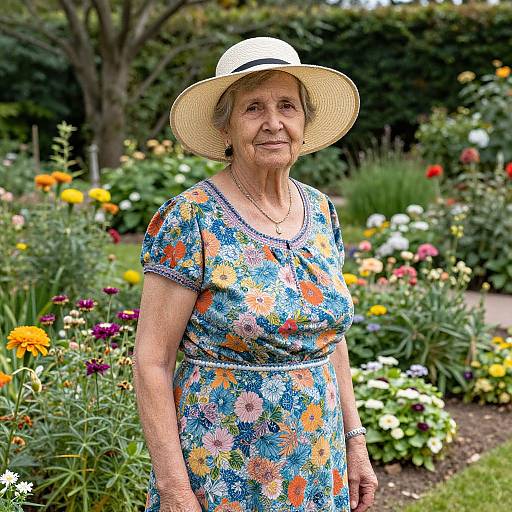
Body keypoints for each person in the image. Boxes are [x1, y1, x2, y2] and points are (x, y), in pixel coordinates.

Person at [134, 36, 378, 512]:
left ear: (304, 124)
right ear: (225, 129)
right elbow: (151, 361)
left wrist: (356, 442)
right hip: (223, 470)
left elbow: (328, 338)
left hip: (316, 461)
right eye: (253, 108)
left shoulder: (321, 211)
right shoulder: (192, 218)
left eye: (287, 106)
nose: (274, 122)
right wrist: (175, 490)